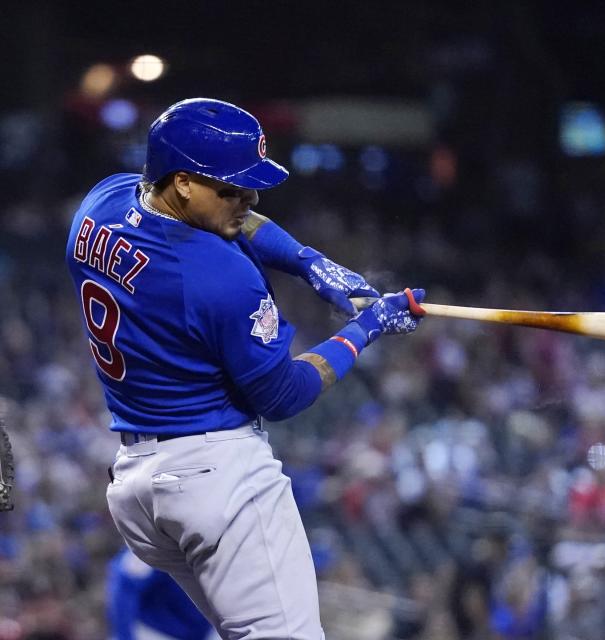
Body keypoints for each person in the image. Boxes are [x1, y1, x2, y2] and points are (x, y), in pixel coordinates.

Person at [65, 97, 425, 639]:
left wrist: (307, 261)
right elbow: (283, 395)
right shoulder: (221, 276)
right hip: (215, 477)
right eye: (229, 189)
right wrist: (366, 327)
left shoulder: (102, 203)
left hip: (138, 490)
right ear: (183, 182)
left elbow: (238, 222)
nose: (248, 200)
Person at [106, 548, 215, 640]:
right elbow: (123, 593)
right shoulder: (147, 549)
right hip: (160, 631)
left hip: (207, 627)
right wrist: (124, 636)